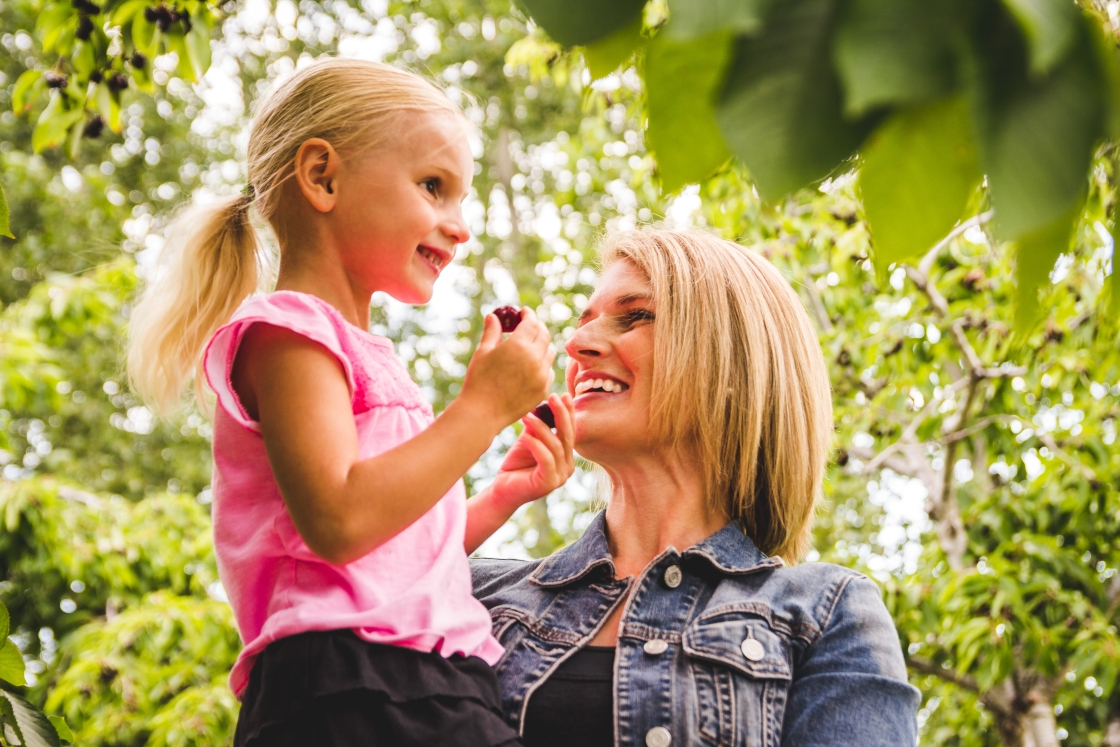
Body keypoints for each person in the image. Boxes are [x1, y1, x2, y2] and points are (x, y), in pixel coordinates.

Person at [126, 58, 577, 747]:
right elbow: (340, 518)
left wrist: (500, 496)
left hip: (422, 679)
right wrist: (481, 411)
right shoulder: (288, 333)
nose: (459, 225)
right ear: (322, 177)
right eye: (433, 186)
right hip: (350, 683)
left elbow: (385, 561)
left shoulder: (364, 352)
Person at [472, 228, 920, 746]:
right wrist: (490, 500)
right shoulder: (475, 593)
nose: (574, 344)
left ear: (730, 362)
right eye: (585, 322)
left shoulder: (826, 615)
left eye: (636, 315)